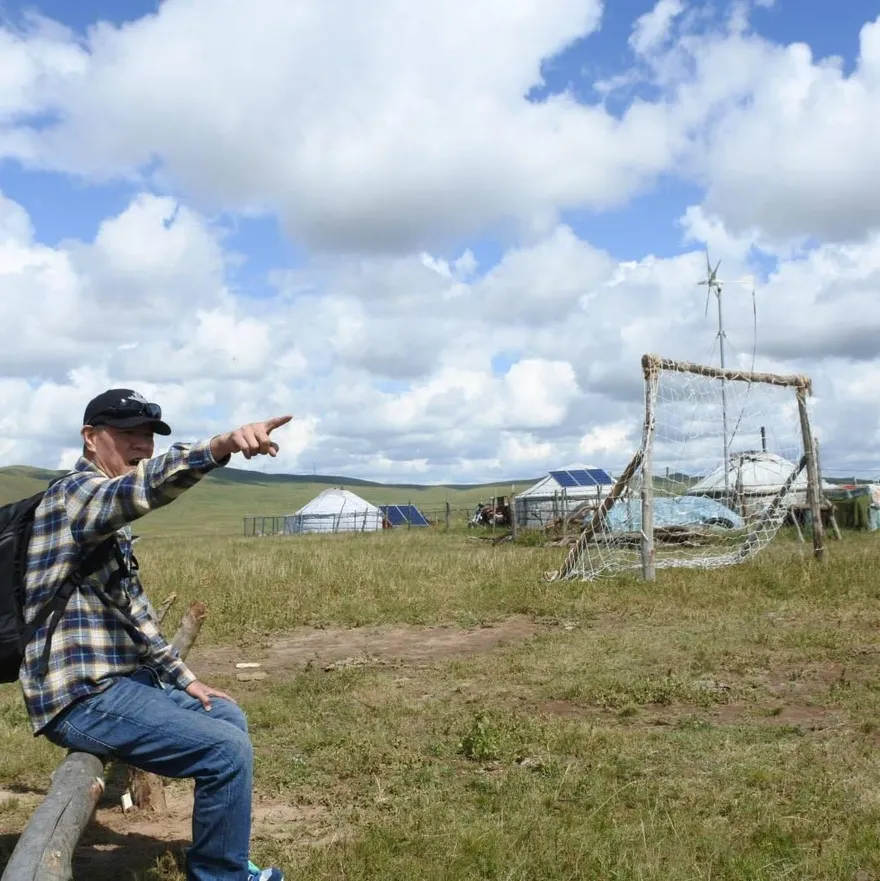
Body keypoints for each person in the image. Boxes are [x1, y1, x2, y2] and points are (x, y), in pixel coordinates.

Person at [18, 388, 291, 881]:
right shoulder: (73, 497)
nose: (141, 445)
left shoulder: (106, 522)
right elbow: (139, 490)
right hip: (81, 697)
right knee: (225, 751)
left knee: (225, 712)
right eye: (127, 434)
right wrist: (221, 446)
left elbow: (137, 613)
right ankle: (220, 875)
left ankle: (220, 856)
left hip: (122, 684)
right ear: (90, 438)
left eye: (146, 435)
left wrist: (185, 680)